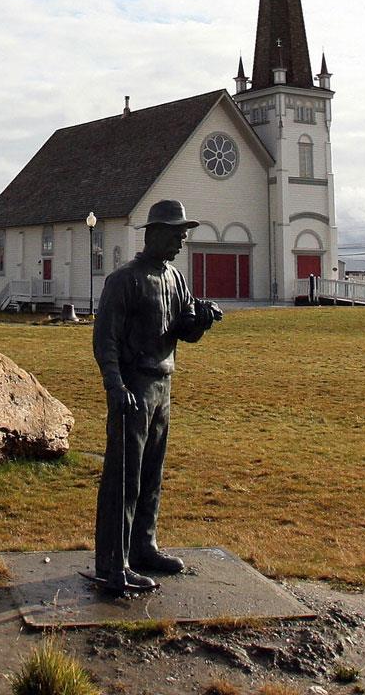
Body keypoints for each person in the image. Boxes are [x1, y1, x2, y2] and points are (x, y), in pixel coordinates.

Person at [91, 199, 225, 594]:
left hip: (163, 385)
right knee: (124, 477)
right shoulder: (124, 280)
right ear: (155, 234)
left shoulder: (174, 278)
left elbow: (183, 329)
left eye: (184, 236)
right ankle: (113, 563)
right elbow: (105, 340)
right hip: (133, 386)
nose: (182, 243)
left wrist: (202, 320)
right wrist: (115, 387)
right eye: (176, 235)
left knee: (152, 473)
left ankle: (143, 546)